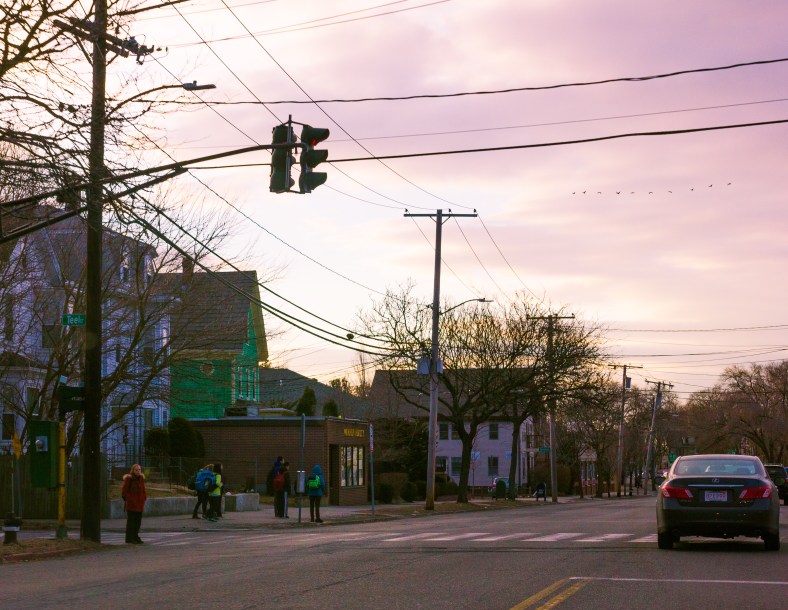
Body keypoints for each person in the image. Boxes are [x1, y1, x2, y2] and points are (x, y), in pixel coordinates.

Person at [122, 464, 147, 544]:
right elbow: (124, 491)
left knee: (137, 522)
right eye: (137, 470)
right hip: (132, 504)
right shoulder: (129, 479)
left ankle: (135, 536)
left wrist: (144, 498)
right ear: (133, 470)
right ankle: (130, 538)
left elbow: (143, 490)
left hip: (139, 504)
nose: (138, 471)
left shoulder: (141, 479)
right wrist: (129, 498)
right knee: (131, 522)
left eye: (139, 469)